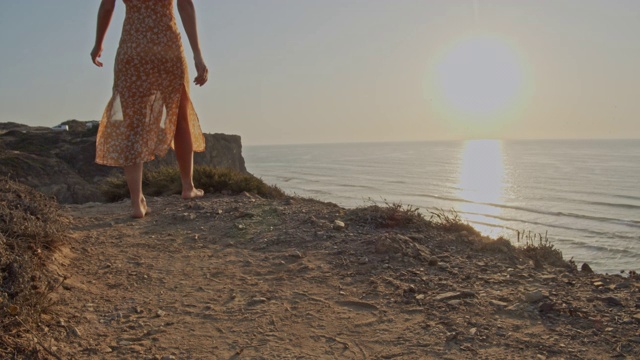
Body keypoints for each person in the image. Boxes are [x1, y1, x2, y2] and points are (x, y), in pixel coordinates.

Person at [90, 0, 208, 218]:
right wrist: (197, 54)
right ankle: (188, 187)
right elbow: (186, 6)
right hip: (167, 46)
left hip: (133, 49)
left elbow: (107, 6)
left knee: (132, 122)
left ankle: (137, 202)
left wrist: (99, 44)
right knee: (180, 114)